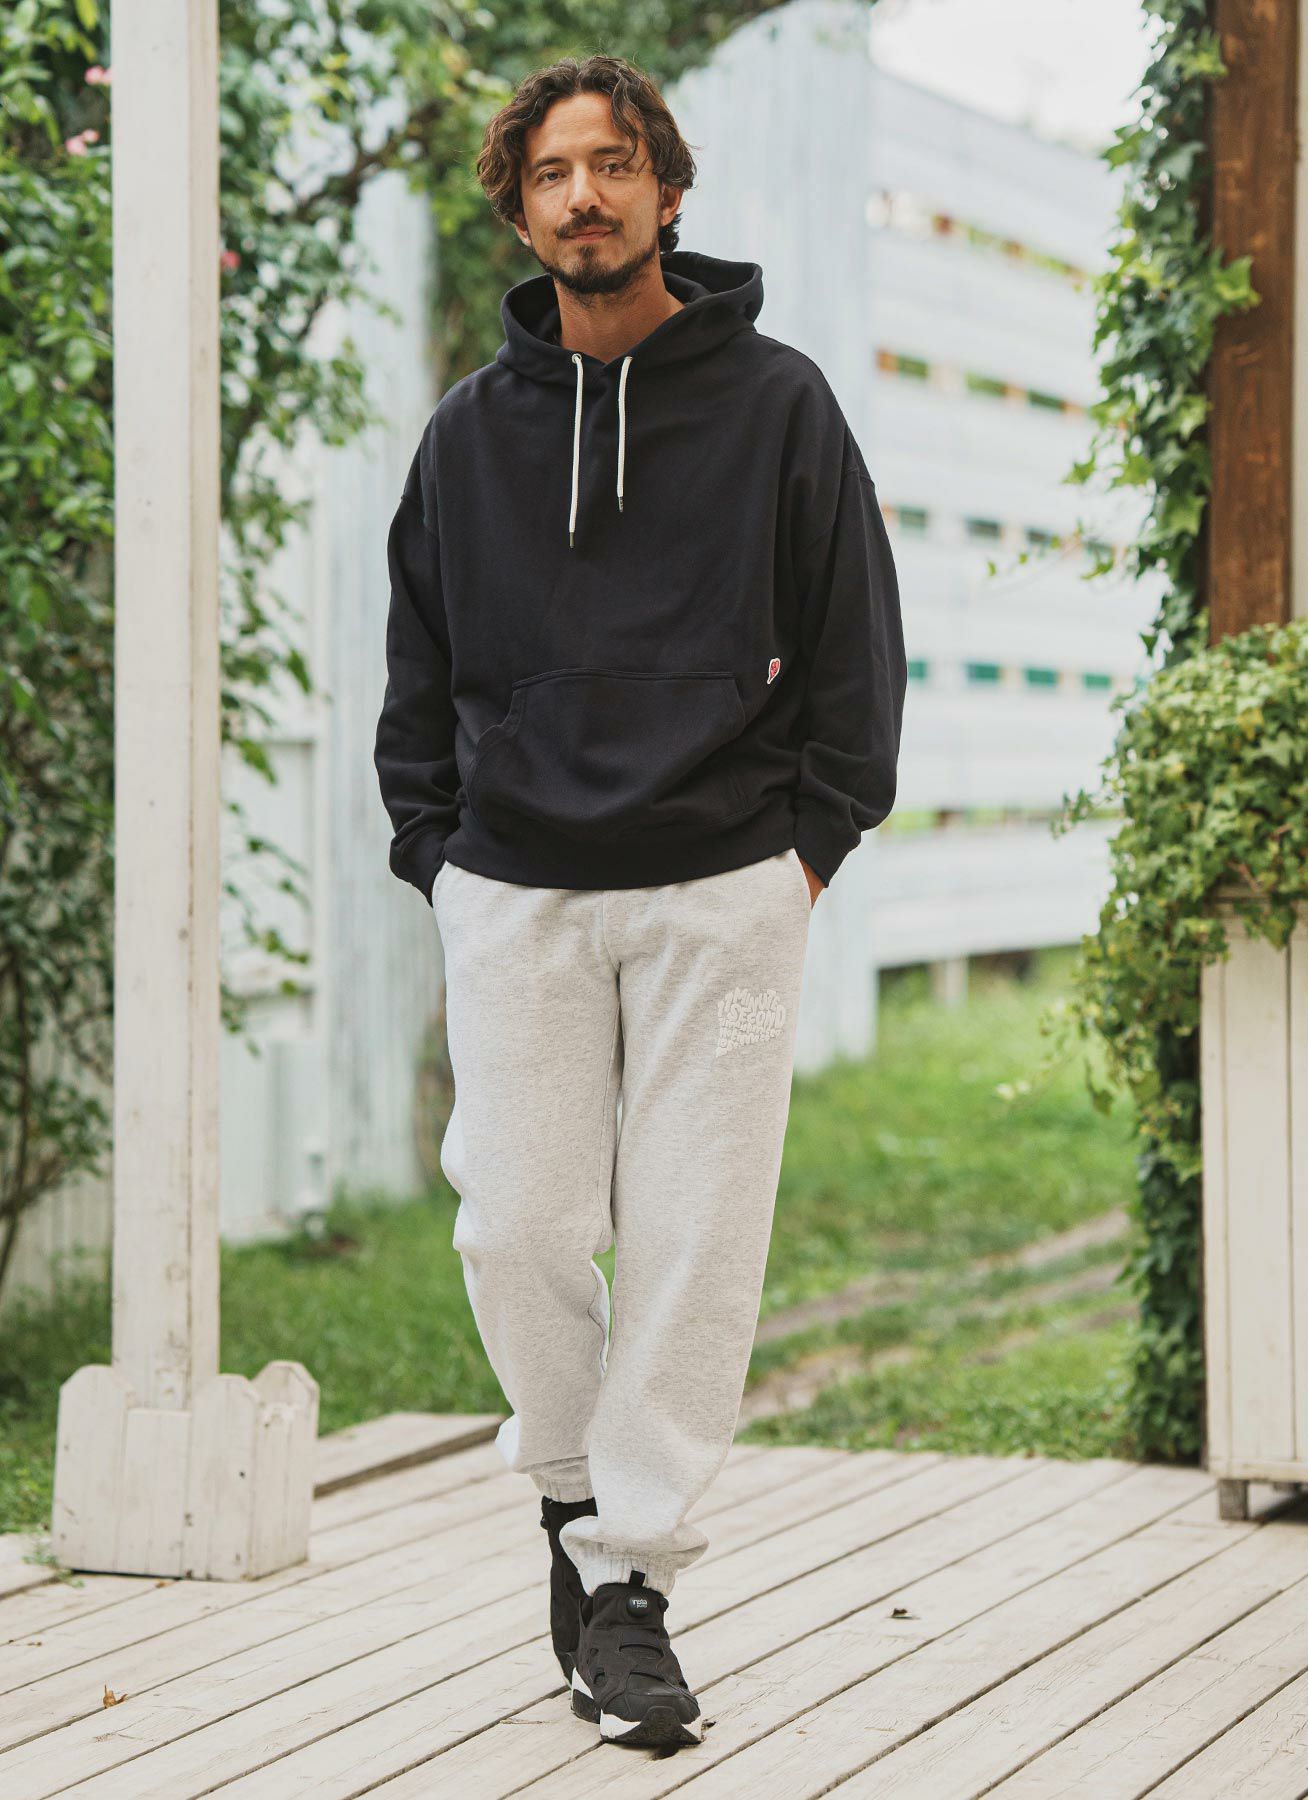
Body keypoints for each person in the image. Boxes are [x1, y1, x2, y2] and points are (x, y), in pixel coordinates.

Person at [374, 51, 906, 1751]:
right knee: (515, 1222)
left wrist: (807, 848)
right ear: (521, 210)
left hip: (724, 890)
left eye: (612, 165)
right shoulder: (470, 434)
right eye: (552, 173)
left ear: (668, 192)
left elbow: (855, 645)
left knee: (691, 1243)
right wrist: (438, 853)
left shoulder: (778, 405)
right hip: (519, 894)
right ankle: (568, 1492)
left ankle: (631, 1589)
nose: (584, 196)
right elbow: (417, 670)